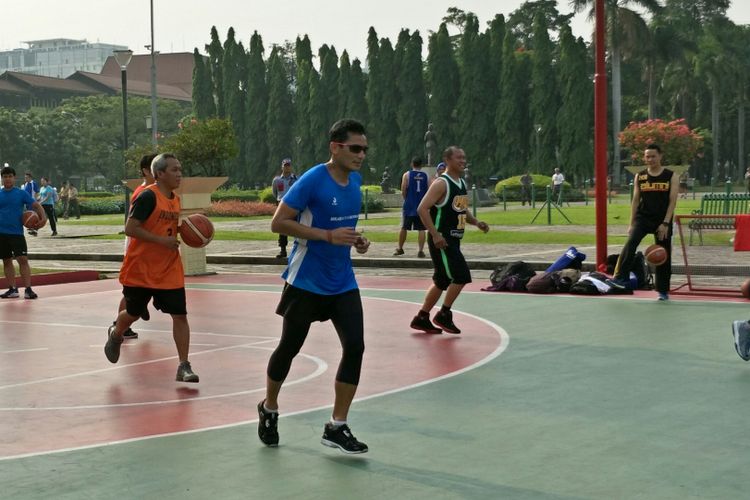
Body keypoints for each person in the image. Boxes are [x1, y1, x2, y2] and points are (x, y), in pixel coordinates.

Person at [258, 118, 371, 454]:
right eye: (355, 148)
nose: (361, 155)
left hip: (342, 281)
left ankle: (336, 426)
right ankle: (270, 407)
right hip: (306, 279)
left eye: (364, 149)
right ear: (335, 147)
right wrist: (326, 236)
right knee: (289, 348)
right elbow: (278, 222)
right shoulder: (311, 180)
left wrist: (357, 241)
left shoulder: (355, 182)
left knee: (356, 346)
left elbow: (343, 229)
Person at [103, 153, 199, 383]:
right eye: (174, 170)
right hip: (141, 269)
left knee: (180, 315)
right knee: (133, 313)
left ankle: (183, 365)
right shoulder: (147, 196)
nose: (179, 174)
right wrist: (161, 240)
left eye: (180, 169)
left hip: (168, 268)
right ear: (160, 174)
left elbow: (165, 228)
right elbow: (130, 228)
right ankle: (116, 333)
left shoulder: (175, 199)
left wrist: (186, 232)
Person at [410, 146, 490, 334]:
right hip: (442, 240)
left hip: (453, 239)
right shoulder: (441, 183)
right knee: (461, 275)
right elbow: (422, 209)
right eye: (458, 158)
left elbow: (461, 209)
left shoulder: (460, 182)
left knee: (442, 280)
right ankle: (444, 314)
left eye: (464, 157)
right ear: (447, 160)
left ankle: (421, 317)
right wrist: (436, 235)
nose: (463, 161)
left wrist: (476, 222)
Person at [606, 144, 678, 301]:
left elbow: (673, 201)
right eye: (647, 156)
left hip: (662, 220)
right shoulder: (640, 176)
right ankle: (620, 279)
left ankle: (663, 290)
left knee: (663, 253)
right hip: (643, 218)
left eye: (653, 156)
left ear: (660, 156)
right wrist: (631, 223)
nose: (650, 159)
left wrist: (665, 223)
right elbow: (636, 200)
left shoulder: (671, 176)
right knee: (630, 244)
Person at [112, 153, 157, 340]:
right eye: (156, 168)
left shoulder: (156, 190)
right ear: (146, 171)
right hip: (136, 249)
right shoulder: (143, 192)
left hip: (149, 249)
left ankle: (142, 304)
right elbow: (134, 226)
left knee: (151, 284)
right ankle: (119, 324)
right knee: (130, 292)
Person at [0, 165, 47, 299]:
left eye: (10, 176)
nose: (7, 179)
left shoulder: (21, 193)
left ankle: (28, 289)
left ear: (14, 178)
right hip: (1, 233)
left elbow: (36, 205)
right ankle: (12, 289)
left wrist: (43, 218)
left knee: (23, 259)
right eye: (5, 177)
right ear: (2, 179)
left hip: (16, 233)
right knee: (7, 260)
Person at [394, 156, 429, 258]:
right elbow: (428, 191)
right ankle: (420, 251)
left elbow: (403, 189)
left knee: (404, 227)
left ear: (412, 164)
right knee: (421, 229)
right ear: (421, 165)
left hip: (409, 206)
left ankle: (400, 248)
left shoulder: (407, 175)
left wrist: (407, 199)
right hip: (421, 206)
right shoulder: (425, 176)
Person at [271, 158, 297, 259]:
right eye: (285, 165)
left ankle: (297, 249)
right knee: (282, 227)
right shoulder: (277, 180)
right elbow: (275, 193)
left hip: (293, 204)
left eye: (288, 165)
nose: (287, 167)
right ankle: (283, 250)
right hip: (281, 203)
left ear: (291, 166)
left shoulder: (295, 179)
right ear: (282, 167)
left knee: (296, 226)